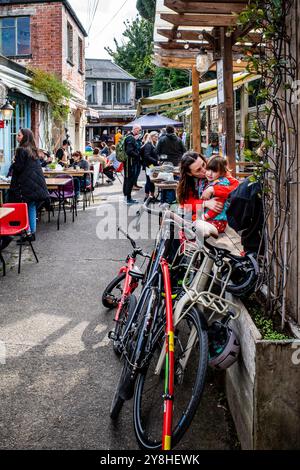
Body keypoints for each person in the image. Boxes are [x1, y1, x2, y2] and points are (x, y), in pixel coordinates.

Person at [8, 128, 50, 241]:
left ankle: (27, 232)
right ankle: (31, 233)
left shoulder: (21, 150)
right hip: (36, 185)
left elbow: (19, 168)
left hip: (26, 185)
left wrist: (14, 162)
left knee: (25, 208)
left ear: (25, 137)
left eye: (19, 135)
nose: (17, 137)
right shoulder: (33, 150)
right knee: (30, 207)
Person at [177, 151, 239, 224]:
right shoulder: (187, 182)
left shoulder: (217, 170)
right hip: (197, 216)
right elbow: (185, 202)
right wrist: (205, 203)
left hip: (218, 218)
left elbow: (237, 188)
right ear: (189, 173)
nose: (204, 170)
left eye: (203, 164)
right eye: (198, 170)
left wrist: (213, 189)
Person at [200, 156, 231, 233]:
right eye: (208, 169)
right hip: (211, 219)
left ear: (222, 172)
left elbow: (218, 206)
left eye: (214, 171)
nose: (210, 173)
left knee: (196, 230)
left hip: (218, 221)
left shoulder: (221, 184)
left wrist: (205, 217)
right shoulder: (210, 182)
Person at [123, 124, 142, 205]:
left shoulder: (128, 136)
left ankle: (127, 197)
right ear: (135, 129)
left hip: (128, 162)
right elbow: (129, 151)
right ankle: (128, 198)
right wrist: (138, 155)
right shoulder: (130, 138)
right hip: (129, 162)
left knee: (127, 179)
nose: (139, 132)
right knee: (129, 180)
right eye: (139, 130)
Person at [141, 131, 158, 201]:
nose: (157, 138)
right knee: (149, 180)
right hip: (149, 165)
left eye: (157, 136)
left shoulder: (152, 144)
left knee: (151, 180)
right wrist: (156, 161)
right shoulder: (148, 145)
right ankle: (147, 196)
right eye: (155, 136)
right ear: (151, 137)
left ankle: (152, 196)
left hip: (151, 165)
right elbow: (147, 156)